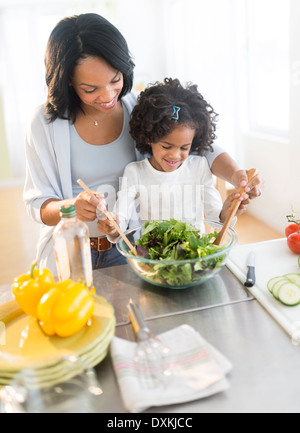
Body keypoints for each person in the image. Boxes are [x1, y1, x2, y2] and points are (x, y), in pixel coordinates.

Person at [23, 13, 262, 276]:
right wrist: (72, 207)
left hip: (131, 250)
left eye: (115, 80)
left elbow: (200, 146)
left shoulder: (142, 110)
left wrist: (237, 176)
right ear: (67, 80)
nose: (107, 96)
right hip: (71, 249)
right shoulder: (44, 124)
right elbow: (39, 204)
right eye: (91, 89)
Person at [97, 77, 252, 241]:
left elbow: (216, 220)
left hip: (193, 257)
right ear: (149, 137)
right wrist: (112, 226)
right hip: (155, 257)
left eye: (184, 148)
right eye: (166, 146)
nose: (175, 155)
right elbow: (120, 221)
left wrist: (228, 211)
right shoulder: (134, 172)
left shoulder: (199, 167)